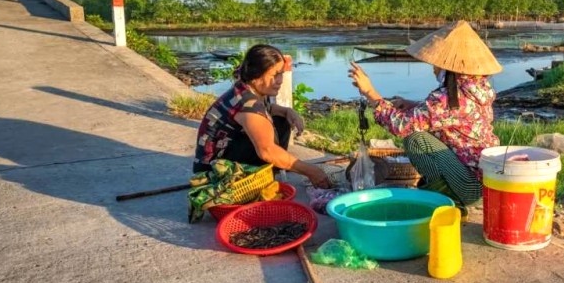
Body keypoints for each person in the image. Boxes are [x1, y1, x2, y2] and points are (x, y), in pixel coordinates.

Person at [348, 20, 502, 206]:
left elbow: (401, 126)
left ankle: (451, 197)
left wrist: (369, 92)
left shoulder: (451, 98)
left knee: (416, 140)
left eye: (437, 64)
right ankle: (449, 191)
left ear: (449, 68)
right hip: (486, 179)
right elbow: (448, 117)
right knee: (420, 130)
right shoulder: (476, 88)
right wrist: (411, 105)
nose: (433, 68)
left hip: (471, 188)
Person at [194, 44, 331, 188]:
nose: (280, 81)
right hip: (214, 173)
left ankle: (268, 173)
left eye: (281, 74)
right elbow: (267, 151)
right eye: (274, 75)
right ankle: (254, 180)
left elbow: (268, 109)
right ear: (256, 76)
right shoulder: (248, 105)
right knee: (268, 147)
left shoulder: (248, 89)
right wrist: (312, 171)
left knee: (281, 120)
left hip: (223, 156)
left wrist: (288, 112)